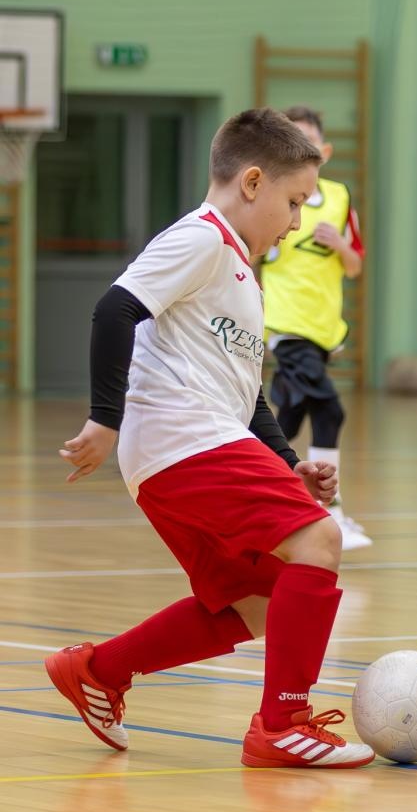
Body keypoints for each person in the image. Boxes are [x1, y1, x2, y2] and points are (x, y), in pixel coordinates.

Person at [44, 107, 375, 769]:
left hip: (184, 446)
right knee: (320, 539)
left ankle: (98, 671)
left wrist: (287, 464)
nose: (296, 221)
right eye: (293, 201)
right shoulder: (201, 239)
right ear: (251, 182)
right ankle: (282, 725)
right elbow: (115, 308)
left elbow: (245, 395)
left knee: (258, 603)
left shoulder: (238, 268)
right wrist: (105, 418)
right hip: (181, 437)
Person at [260, 105, 372, 551]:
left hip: (323, 329)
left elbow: (355, 265)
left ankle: (256, 494)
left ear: (324, 151)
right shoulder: (272, 197)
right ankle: (330, 510)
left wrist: (341, 244)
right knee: (330, 411)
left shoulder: (340, 199)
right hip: (285, 325)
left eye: (307, 142)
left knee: (285, 420)